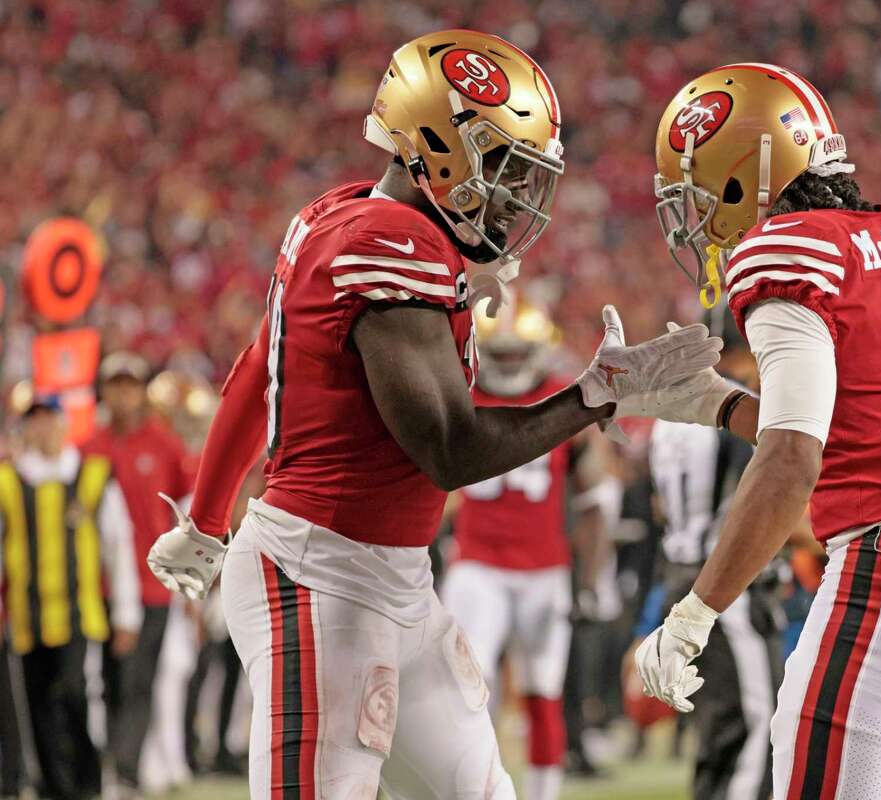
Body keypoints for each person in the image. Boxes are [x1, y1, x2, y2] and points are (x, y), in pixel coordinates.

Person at [143, 29, 721, 800]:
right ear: (439, 151)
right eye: (505, 164)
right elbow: (450, 448)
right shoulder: (389, 240)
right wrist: (596, 394)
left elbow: (257, 372)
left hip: (395, 579)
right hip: (318, 578)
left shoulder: (336, 214)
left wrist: (209, 518)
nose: (517, 189)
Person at [632, 62, 881, 799]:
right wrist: (716, 402)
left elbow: (791, 460)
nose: (700, 215)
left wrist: (695, 613)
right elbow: (857, 425)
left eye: (706, 188)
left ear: (748, 173)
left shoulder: (785, 254)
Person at [439, 298, 614, 800]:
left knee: (542, 691)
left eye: (520, 352)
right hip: (479, 565)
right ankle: (474, 789)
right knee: (469, 693)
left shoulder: (561, 401)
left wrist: (588, 579)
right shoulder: (466, 398)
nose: (511, 361)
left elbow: (595, 500)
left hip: (541, 570)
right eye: (503, 352)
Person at [645, 312, 783, 800]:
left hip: (680, 575)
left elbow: (660, 506)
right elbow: (761, 499)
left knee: (717, 738)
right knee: (756, 728)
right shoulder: (737, 408)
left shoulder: (669, 417)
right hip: (723, 586)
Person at [0, 397, 142, 800]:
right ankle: (53, 786)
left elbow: (119, 546)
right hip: (27, 617)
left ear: (64, 425)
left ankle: (88, 781)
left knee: (76, 694)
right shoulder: (9, 481)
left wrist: (126, 614)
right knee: (37, 704)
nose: (43, 429)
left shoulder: (92, 475)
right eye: (35, 421)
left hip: (81, 614)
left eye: (50, 420)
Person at [84, 352, 194, 795]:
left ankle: (125, 770)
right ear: (105, 391)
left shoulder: (165, 445)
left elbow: (187, 514)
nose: (123, 393)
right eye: (116, 384)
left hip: (154, 584)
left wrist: (187, 582)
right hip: (99, 585)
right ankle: (113, 762)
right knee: (106, 679)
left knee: (139, 678)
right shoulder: (88, 446)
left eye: (130, 384)